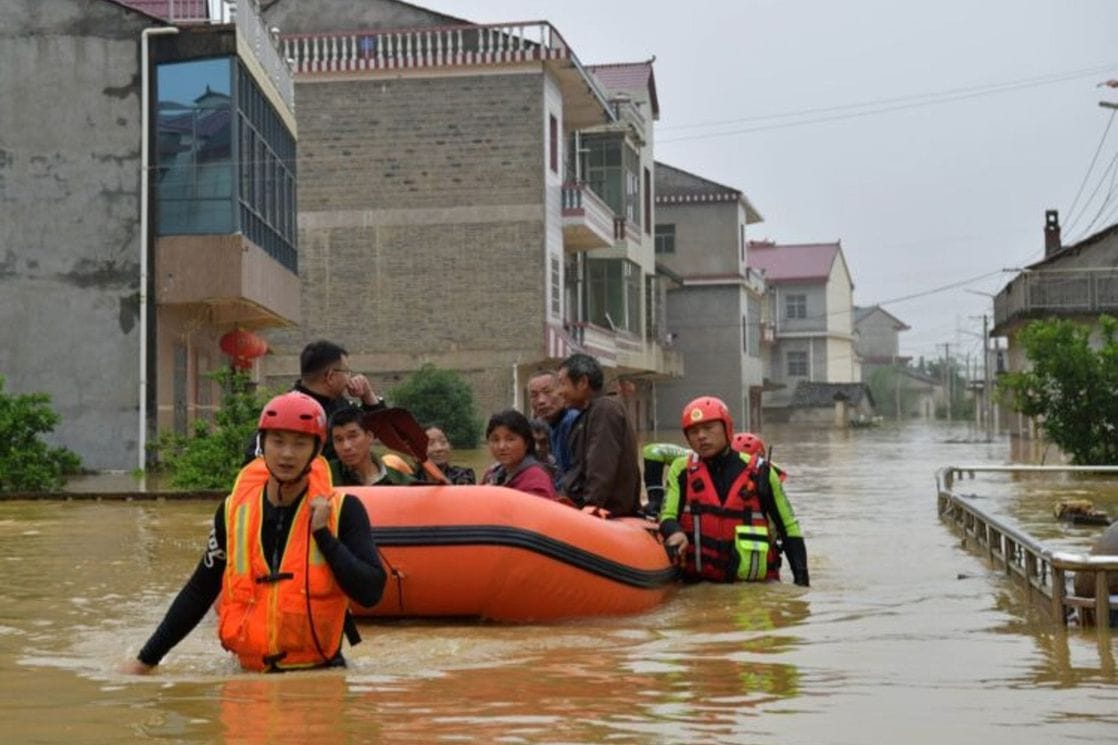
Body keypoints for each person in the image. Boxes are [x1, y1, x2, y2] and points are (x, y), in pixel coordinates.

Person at [125, 392, 387, 673]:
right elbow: (199, 591)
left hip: (319, 673)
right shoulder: (232, 512)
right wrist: (145, 661)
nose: (287, 454)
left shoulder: (344, 509)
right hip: (247, 675)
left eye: (300, 444)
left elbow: (371, 591)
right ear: (262, 444)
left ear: (316, 449)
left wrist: (324, 536)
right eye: (277, 442)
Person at [660, 396, 809, 586]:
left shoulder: (762, 473)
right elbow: (667, 516)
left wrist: (802, 583)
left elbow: (789, 528)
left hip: (756, 590)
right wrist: (674, 532)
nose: (701, 436)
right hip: (699, 586)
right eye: (694, 431)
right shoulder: (680, 470)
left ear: (727, 428)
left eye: (708, 428)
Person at [245, 340, 387, 464]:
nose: (350, 378)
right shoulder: (288, 409)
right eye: (347, 372)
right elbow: (256, 460)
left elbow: (383, 430)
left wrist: (367, 395)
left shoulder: (340, 404)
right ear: (330, 376)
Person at [555, 353, 641, 516]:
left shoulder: (604, 410)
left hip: (603, 514)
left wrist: (591, 507)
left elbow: (601, 466)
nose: (559, 392)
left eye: (562, 384)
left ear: (582, 382)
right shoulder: (590, 412)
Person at [327, 406, 415, 487]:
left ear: (369, 436)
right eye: (339, 440)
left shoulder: (400, 481)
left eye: (353, 436)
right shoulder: (324, 475)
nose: (346, 446)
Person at [482, 409, 558, 500]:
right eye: (495, 440)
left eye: (510, 439)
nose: (501, 446)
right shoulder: (491, 474)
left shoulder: (537, 480)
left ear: (526, 443)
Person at [527, 368, 579, 486]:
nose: (541, 401)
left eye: (547, 392)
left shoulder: (572, 421)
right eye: (534, 395)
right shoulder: (550, 426)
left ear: (562, 391)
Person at [641, 442, 691, 518]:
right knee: (652, 451)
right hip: (655, 453)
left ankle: (656, 502)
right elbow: (652, 450)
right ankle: (656, 502)